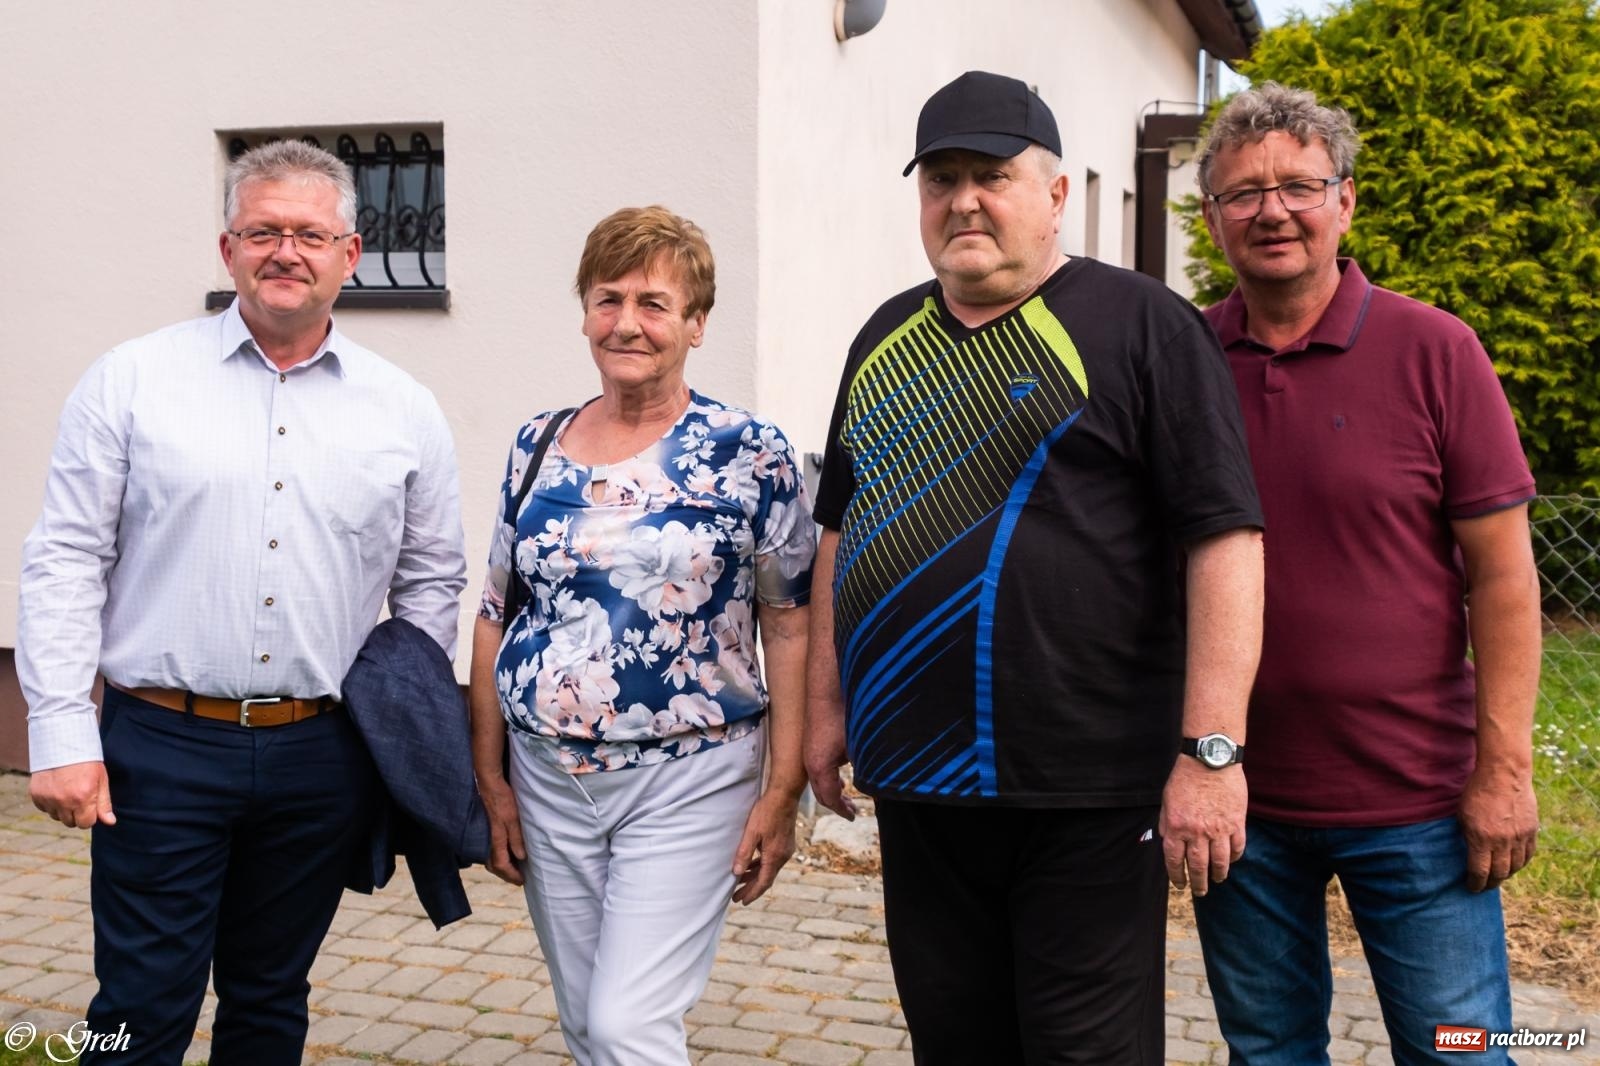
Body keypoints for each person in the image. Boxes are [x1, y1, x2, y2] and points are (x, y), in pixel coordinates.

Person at [805, 70, 1266, 1065]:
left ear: (1054, 196)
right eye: (940, 179)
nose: (962, 200)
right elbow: (840, 531)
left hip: (1087, 788)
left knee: (1083, 1052)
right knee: (955, 1041)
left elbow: (1223, 542)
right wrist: (825, 708)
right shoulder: (884, 337)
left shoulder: (1142, 327)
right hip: (921, 781)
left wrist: (1212, 751)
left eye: (991, 175)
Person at [16, 140, 467, 1063]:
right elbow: (65, 557)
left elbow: (431, 578)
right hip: (160, 749)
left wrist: (395, 720)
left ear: (352, 251)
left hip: (320, 754)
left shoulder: (404, 408)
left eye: (310, 233)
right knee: (139, 1006)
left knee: (269, 999)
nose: (285, 252)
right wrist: (61, 731)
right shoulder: (132, 380)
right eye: (264, 231)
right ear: (228, 251)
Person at [1191, 83, 1542, 1065]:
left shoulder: (1436, 352)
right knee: (1269, 1052)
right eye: (1242, 192)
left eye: (1298, 185)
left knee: (1460, 1051)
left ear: (1345, 200)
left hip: (1419, 804)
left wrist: (1503, 771)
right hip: (1240, 806)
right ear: (1212, 216)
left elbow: (1504, 581)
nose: (1271, 210)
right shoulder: (1181, 361)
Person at [468, 205, 815, 1066]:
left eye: (655, 303)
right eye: (608, 298)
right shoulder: (536, 444)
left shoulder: (750, 451)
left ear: (696, 324)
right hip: (548, 779)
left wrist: (782, 791)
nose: (628, 323)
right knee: (589, 1022)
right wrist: (490, 775)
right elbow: (494, 612)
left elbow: (794, 623)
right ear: (585, 310)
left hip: (689, 779)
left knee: (628, 1025)